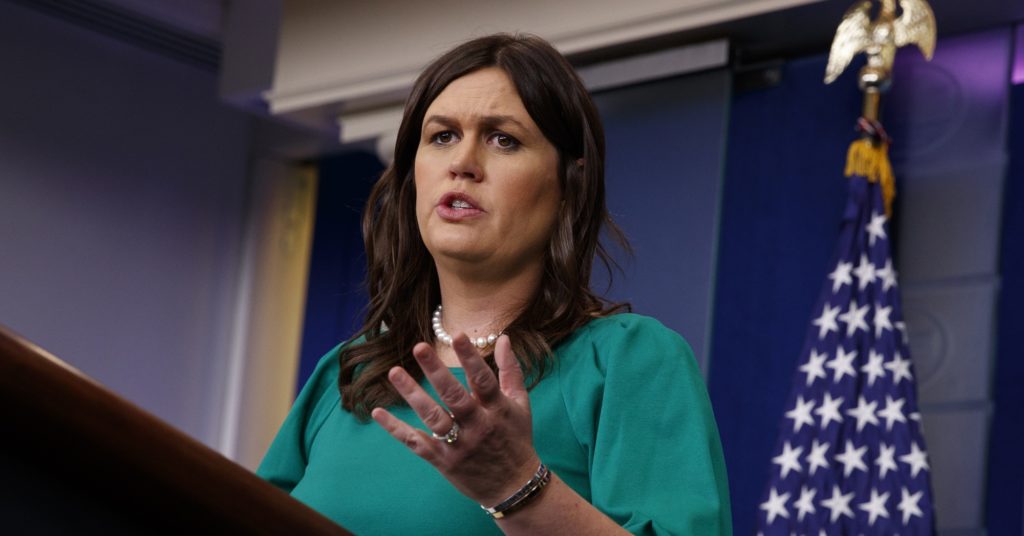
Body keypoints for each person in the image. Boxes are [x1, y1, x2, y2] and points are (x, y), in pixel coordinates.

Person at [257, 33, 731, 535]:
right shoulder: (349, 372)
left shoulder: (626, 361)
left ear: (571, 184)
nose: (462, 163)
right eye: (442, 136)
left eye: (503, 139)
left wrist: (516, 485)